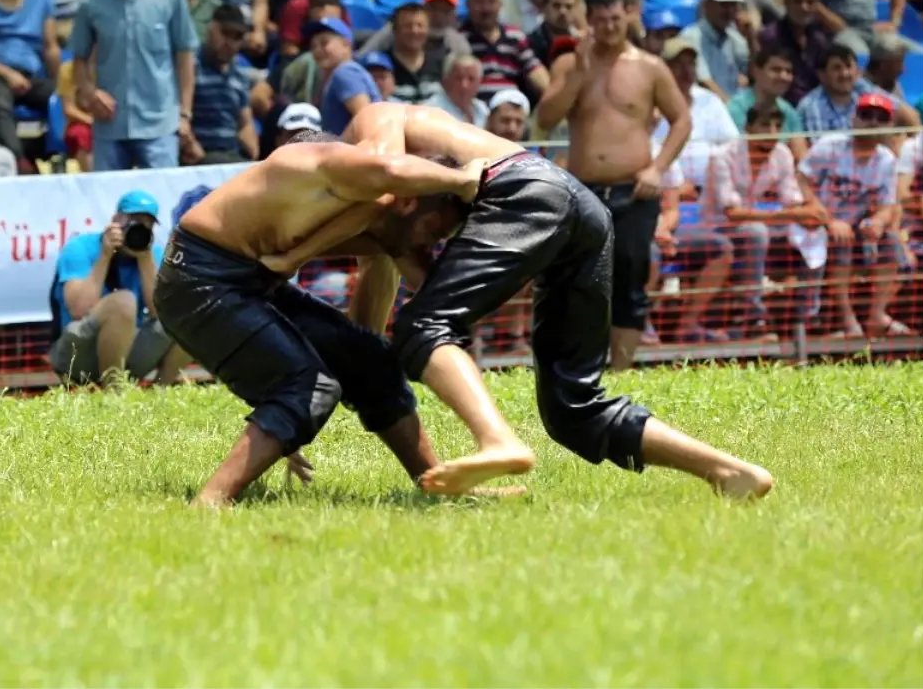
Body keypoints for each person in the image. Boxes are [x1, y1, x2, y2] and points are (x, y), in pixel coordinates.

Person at [263, 103, 774, 501]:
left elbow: (387, 172)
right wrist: (310, 418)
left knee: (422, 327)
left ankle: (499, 441)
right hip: (579, 211)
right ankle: (729, 471)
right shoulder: (386, 223)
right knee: (573, 411)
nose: (433, 237)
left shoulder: (370, 126)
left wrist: (299, 250)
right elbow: (366, 334)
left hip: (523, 190)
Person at [152, 134, 491, 508]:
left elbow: (427, 283)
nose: (430, 244)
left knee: (370, 360)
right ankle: (211, 500)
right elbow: (393, 168)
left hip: (249, 283)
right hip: (198, 280)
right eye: (432, 233)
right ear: (409, 198)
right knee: (309, 384)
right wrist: (465, 177)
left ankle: (437, 484)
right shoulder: (334, 164)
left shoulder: (378, 215)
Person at [535, 0, 693, 370]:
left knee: (629, 280)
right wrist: (580, 73)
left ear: (628, 17)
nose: (608, 27)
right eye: (601, 20)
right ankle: (577, 364)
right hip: (584, 189)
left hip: (634, 190)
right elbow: (544, 119)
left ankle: (621, 369)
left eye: (616, 19)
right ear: (588, 21)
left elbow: (681, 120)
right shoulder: (569, 64)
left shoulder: (649, 67)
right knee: (577, 279)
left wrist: (658, 167)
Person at [49, 191, 189, 387]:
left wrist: (144, 258)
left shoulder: (153, 254)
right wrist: (105, 256)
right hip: (77, 354)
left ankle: (160, 390)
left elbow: (161, 311)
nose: (140, 228)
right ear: (116, 220)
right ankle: (113, 392)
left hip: (128, 349)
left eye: (147, 223)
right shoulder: (80, 246)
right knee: (124, 301)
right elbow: (78, 309)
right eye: (134, 221)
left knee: (187, 315)